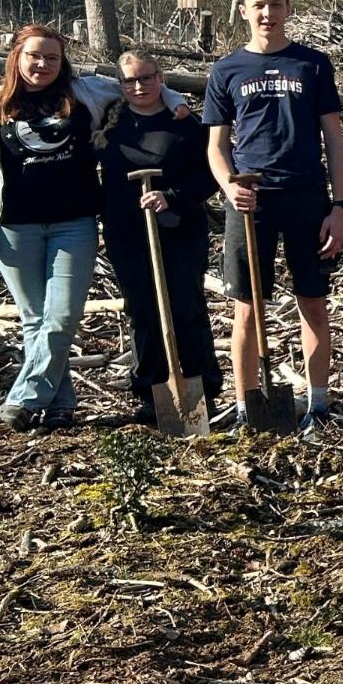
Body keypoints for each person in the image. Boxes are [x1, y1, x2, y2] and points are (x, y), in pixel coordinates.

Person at [0, 25, 177, 430]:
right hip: (13, 228)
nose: (42, 64)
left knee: (61, 317)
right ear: (16, 57)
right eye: (34, 56)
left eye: (52, 58)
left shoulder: (84, 95)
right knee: (35, 319)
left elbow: (138, 87)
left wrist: (176, 97)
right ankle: (60, 404)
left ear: (63, 63)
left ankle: (24, 398)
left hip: (73, 222)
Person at [205, 0, 343, 433]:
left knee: (313, 301)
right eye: (259, 6)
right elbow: (216, 146)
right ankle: (249, 403)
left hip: (307, 198)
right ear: (244, 11)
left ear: (288, 9)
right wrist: (229, 185)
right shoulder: (226, 69)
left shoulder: (312, 64)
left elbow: (334, 139)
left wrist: (340, 206)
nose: (268, 14)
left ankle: (319, 402)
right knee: (247, 308)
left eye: (276, 4)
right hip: (250, 204)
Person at [94, 48, 221, 425]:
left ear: (160, 78)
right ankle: (151, 392)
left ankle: (202, 391)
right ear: (119, 85)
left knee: (186, 308)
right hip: (127, 233)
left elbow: (210, 174)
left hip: (180, 230)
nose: (138, 86)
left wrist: (173, 197)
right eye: (130, 80)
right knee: (143, 311)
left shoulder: (185, 124)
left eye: (147, 78)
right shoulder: (109, 123)